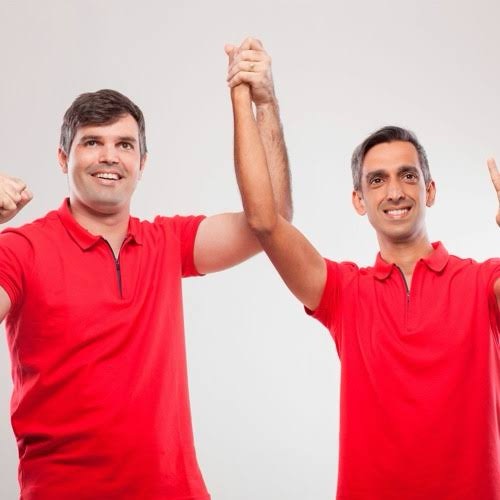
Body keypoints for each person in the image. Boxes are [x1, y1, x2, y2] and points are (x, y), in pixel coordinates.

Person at [0, 38, 291, 500]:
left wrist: (262, 103)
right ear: (63, 158)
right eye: (92, 142)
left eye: (124, 144)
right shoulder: (20, 250)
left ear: (142, 163)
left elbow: (270, 222)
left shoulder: (166, 242)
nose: (109, 156)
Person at [229, 77, 500, 499]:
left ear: (429, 191)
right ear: (359, 200)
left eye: (407, 176)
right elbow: (265, 221)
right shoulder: (343, 292)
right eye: (377, 180)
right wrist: (261, 103)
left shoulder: (484, 283)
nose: (394, 192)